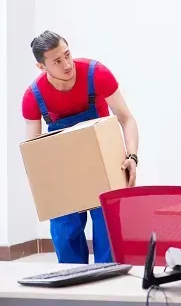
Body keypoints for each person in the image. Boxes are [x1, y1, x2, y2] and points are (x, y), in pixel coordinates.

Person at [22, 30, 140, 264]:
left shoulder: (96, 74)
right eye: (57, 61)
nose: (67, 64)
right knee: (65, 234)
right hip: (64, 171)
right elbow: (32, 152)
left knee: (109, 235)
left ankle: (108, 295)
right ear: (41, 67)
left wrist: (132, 157)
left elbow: (126, 118)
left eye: (67, 54)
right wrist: (46, 190)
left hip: (104, 165)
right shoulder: (33, 96)